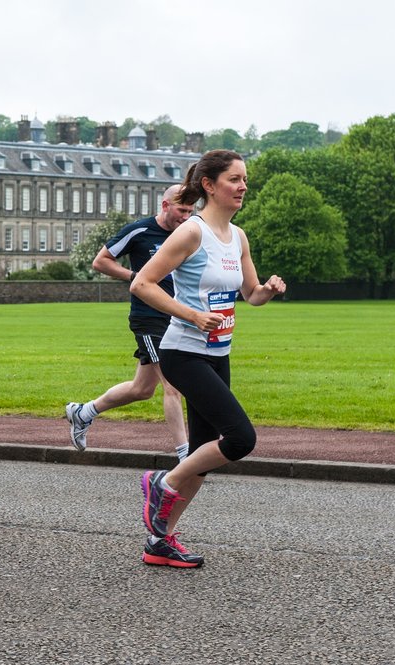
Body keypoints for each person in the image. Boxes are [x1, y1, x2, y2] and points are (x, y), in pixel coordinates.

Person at [131, 150, 286, 568]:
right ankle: (163, 482)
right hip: (183, 352)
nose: (243, 187)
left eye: (245, 180)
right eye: (234, 179)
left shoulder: (238, 237)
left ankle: (158, 542)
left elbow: (250, 295)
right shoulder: (191, 233)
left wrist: (268, 289)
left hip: (218, 354)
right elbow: (143, 284)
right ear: (209, 185)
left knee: (202, 452)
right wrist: (191, 314)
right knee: (240, 439)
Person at [65, 185, 193, 459]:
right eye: (182, 210)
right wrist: (133, 276)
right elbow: (101, 261)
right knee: (173, 384)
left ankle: (83, 412)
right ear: (165, 205)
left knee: (142, 389)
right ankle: (186, 456)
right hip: (149, 318)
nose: (185, 217)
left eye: (191, 211)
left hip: (177, 317)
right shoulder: (140, 231)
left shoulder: (189, 234)